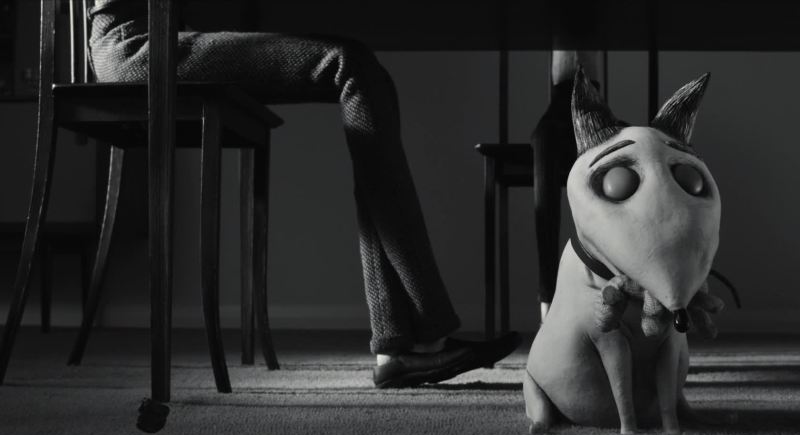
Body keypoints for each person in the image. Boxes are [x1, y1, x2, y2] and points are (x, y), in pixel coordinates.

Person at [87, 0, 521, 388]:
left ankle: (405, 343)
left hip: (148, 35)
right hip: (138, 45)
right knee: (352, 64)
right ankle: (418, 336)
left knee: (364, 71)